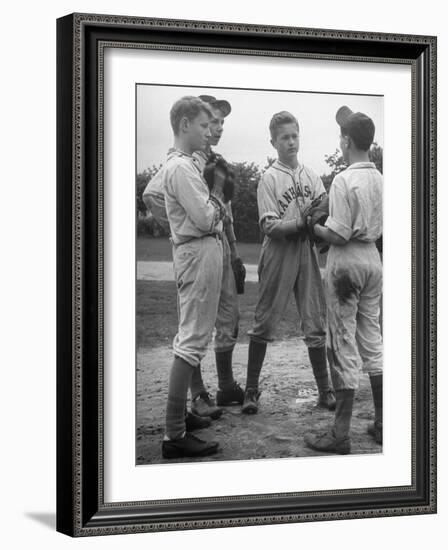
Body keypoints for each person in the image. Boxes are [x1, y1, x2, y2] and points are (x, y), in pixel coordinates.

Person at [242, 111, 335, 415]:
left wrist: (316, 218)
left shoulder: (310, 174)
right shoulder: (269, 177)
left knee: (315, 319)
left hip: (305, 252)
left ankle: (324, 391)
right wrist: (303, 221)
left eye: (294, 135)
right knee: (265, 320)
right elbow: (269, 226)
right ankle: (251, 390)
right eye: (284, 137)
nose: (291, 142)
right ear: (273, 142)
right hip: (278, 252)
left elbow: (324, 204)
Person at [304, 106, 383, 455]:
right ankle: (382, 423)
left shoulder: (343, 178)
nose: (340, 140)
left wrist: (313, 226)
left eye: (341, 135)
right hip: (372, 258)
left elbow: (337, 233)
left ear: (347, 140)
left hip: (347, 261)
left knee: (343, 343)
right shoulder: (380, 178)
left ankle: (340, 434)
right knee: (372, 339)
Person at [159, 96, 228, 459]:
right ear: (184, 124)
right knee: (192, 339)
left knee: (190, 334)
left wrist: (209, 212)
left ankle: (179, 418)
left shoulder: (180, 165)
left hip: (199, 249)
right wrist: (217, 196)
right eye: (203, 125)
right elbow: (205, 218)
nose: (208, 132)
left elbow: (203, 216)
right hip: (197, 248)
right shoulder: (183, 168)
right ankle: (174, 434)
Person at [187, 95, 245, 419]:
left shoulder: (219, 163)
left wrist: (235, 251)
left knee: (228, 315)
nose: (218, 128)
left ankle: (225, 386)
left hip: (222, 243)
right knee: (197, 320)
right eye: (213, 121)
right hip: (199, 245)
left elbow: (229, 211)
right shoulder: (186, 160)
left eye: (222, 122)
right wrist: (181, 234)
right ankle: (197, 395)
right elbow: (155, 196)